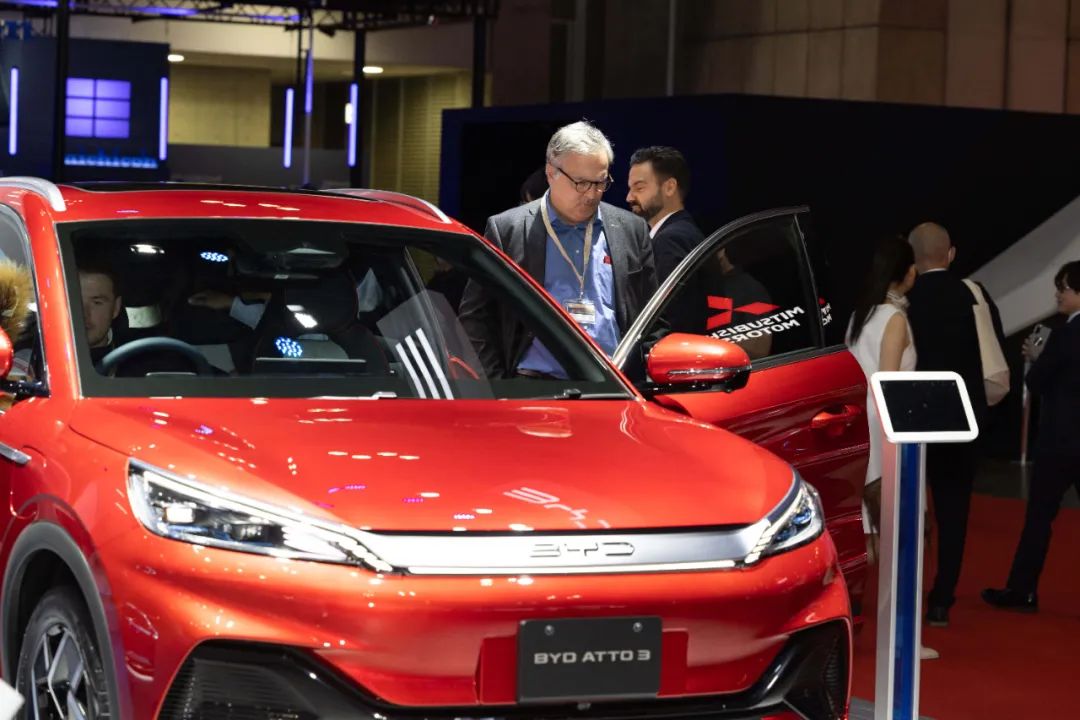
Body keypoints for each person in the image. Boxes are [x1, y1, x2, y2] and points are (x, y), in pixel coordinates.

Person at [460, 120, 657, 378]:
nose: (592, 194)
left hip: (615, 386)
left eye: (600, 182)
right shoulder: (509, 230)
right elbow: (475, 315)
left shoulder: (631, 230)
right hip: (534, 386)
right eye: (581, 183)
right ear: (551, 173)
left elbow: (653, 320)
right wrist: (497, 385)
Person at [906, 222, 1006, 627]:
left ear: (912, 259)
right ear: (950, 254)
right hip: (961, 417)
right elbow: (994, 356)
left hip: (908, 416)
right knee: (954, 509)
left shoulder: (902, 299)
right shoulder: (972, 294)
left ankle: (902, 593)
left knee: (905, 509)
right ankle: (941, 599)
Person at [982, 261, 1080, 613]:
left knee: (1039, 518)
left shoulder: (1065, 335)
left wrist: (1038, 358)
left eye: (1063, 288)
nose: (1058, 295)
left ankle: (1022, 590)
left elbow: (1036, 382)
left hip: (1059, 441)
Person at [626, 146, 704, 281]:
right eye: (630, 188)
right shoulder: (687, 233)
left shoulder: (670, 240)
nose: (629, 198)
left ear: (669, 187)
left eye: (639, 188)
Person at [79, 260, 123, 365]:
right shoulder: (41, 362)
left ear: (116, 307)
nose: (84, 314)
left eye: (97, 303)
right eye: (75, 301)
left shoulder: (137, 364)